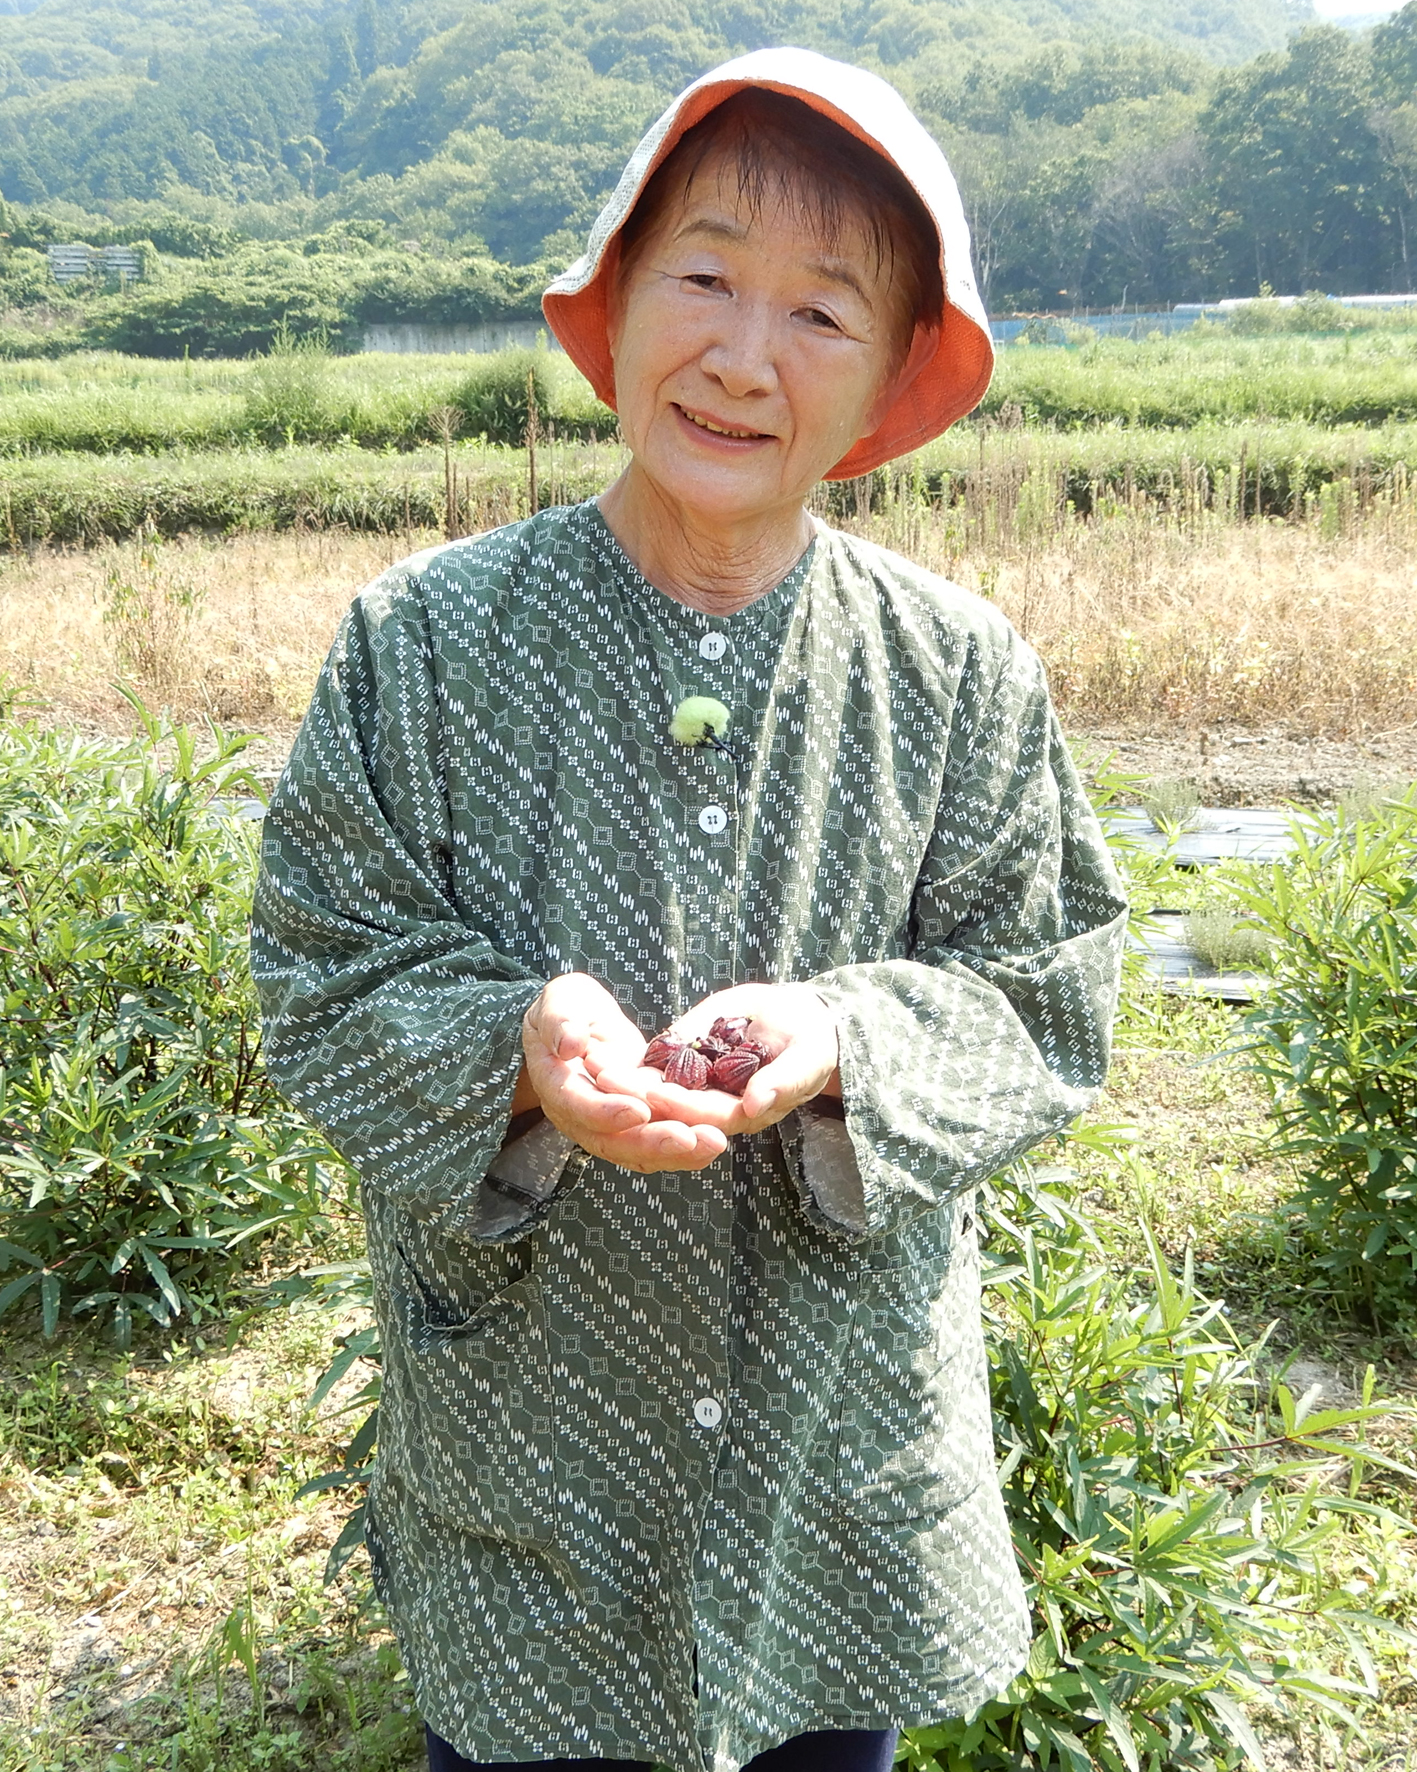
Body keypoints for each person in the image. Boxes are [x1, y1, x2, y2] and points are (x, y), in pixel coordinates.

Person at [250, 46, 1128, 1772]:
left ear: (885, 380)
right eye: (705, 276)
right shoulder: (422, 646)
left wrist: (844, 1036)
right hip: (531, 1459)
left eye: (820, 310)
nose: (743, 354)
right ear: (616, 300)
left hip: (832, 1455)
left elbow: (1047, 985)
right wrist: (521, 1048)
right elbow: (320, 975)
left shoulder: (953, 673)